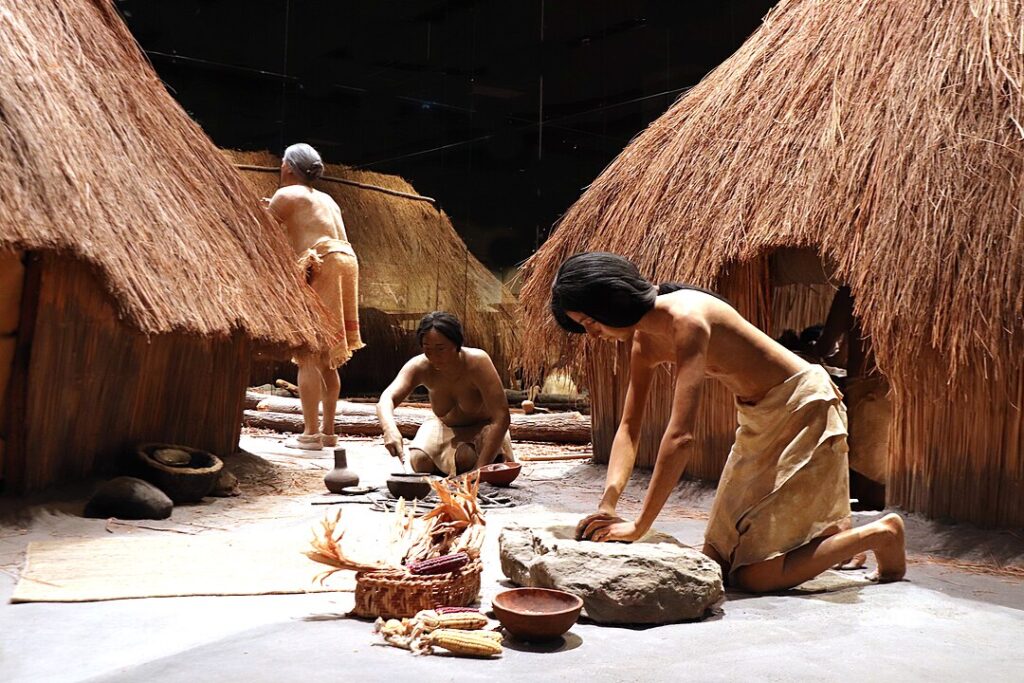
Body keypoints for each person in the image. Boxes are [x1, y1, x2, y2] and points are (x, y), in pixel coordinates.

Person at [550, 252, 905, 593]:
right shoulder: (644, 341)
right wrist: (608, 506)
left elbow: (681, 437)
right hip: (758, 415)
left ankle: (881, 534)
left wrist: (640, 525)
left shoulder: (687, 318)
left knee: (754, 578)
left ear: (612, 300)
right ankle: (836, 544)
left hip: (804, 406)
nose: (593, 334)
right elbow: (629, 427)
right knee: (716, 558)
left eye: (590, 322)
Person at [264, 143, 364, 450]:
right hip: (347, 261)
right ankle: (329, 432)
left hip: (321, 260)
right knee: (328, 359)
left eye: (282, 163)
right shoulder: (327, 199)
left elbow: (261, 229)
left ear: (289, 168)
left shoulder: (286, 195)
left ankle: (309, 435)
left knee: (308, 353)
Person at [376, 312, 513, 475]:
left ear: (456, 344)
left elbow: (501, 417)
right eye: (427, 348)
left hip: (483, 427)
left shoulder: (477, 362)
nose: (434, 356)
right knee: (419, 461)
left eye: (440, 349)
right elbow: (386, 399)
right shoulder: (420, 366)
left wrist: (479, 470)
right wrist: (389, 429)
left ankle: (480, 461)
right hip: (444, 425)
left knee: (465, 458)